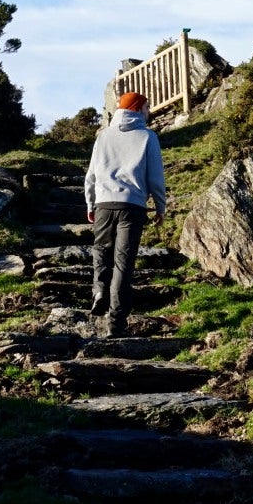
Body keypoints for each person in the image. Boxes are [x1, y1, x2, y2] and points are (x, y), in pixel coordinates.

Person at [83, 90, 167, 338]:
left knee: (101, 251)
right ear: (138, 108)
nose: (149, 112)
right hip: (132, 207)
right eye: (147, 107)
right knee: (123, 264)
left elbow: (91, 175)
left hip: (104, 205)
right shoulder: (147, 136)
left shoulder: (103, 136)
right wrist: (160, 206)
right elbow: (155, 177)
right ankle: (116, 324)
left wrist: (90, 204)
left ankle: (99, 290)